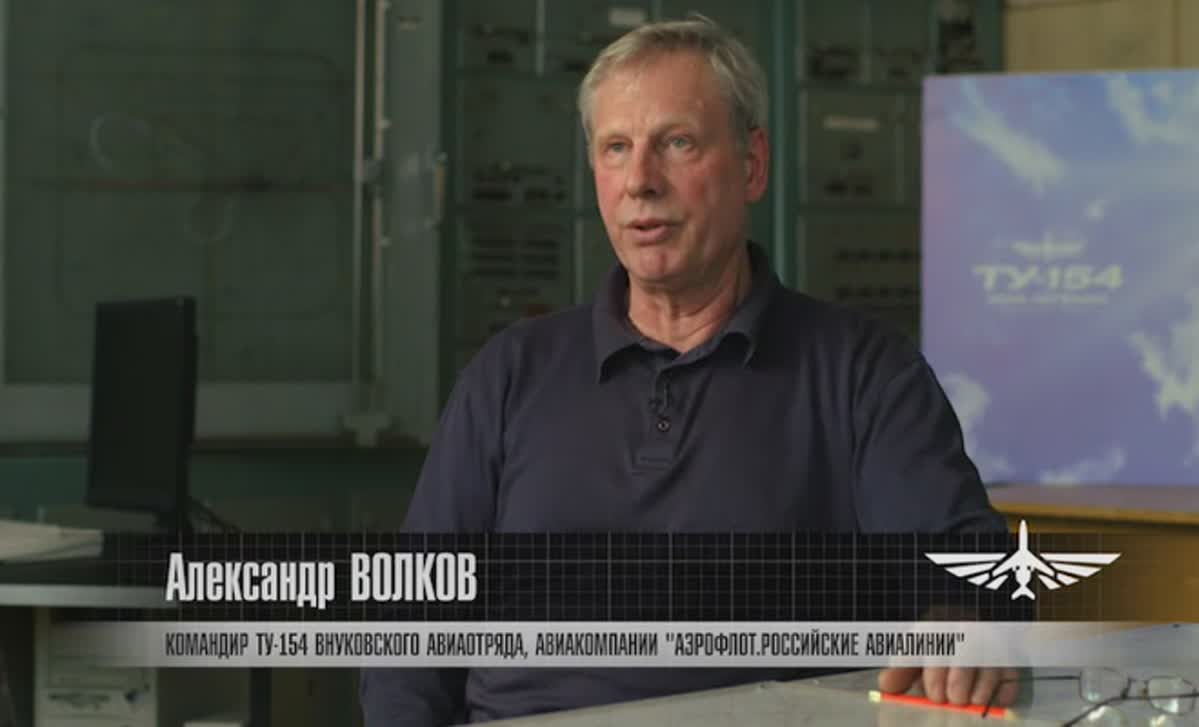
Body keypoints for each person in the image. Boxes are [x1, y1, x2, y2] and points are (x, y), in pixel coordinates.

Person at [362, 15, 1016, 726]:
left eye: (677, 143)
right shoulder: (509, 374)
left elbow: (973, 568)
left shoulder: (863, 373)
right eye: (616, 149)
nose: (641, 182)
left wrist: (964, 614)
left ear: (752, 165)